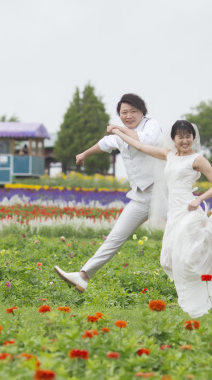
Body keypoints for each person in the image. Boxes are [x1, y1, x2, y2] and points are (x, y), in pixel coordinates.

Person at [109, 120, 212, 317]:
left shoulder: (197, 159)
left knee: (186, 257)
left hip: (189, 211)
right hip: (174, 213)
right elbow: (140, 146)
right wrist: (118, 131)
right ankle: (199, 291)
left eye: (188, 136)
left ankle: (194, 300)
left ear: (193, 138)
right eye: (180, 136)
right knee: (167, 260)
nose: (184, 140)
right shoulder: (168, 154)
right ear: (174, 138)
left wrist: (199, 199)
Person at [54, 93, 164, 292]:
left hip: (163, 193)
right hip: (140, 196)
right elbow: (106, 143)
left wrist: (119, 130)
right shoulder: (121, 133)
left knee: (188, 231)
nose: (128, 116)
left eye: (133, 112)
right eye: (124, 112)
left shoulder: (151, 125)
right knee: (115, 237)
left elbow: (144, 140)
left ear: (142, 112)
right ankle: (83, 276)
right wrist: (85, 154)